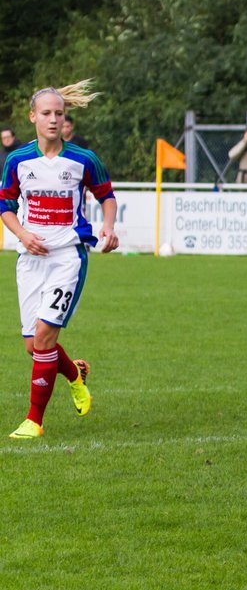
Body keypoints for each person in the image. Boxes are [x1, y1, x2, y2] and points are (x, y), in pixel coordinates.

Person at [0, 81, 119, 439]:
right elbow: (5, 207)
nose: (53, 120)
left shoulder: (83, 159)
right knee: (32, 345)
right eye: (46, 113)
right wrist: (23, 235)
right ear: (32, 116)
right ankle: (74, 374)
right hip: (30, 257)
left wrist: (109, 228)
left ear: (65, 119)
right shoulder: (17, 160)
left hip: (68, 256)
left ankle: (34, 420)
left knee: (44, 335)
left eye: (59, 114)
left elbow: (106, 195)